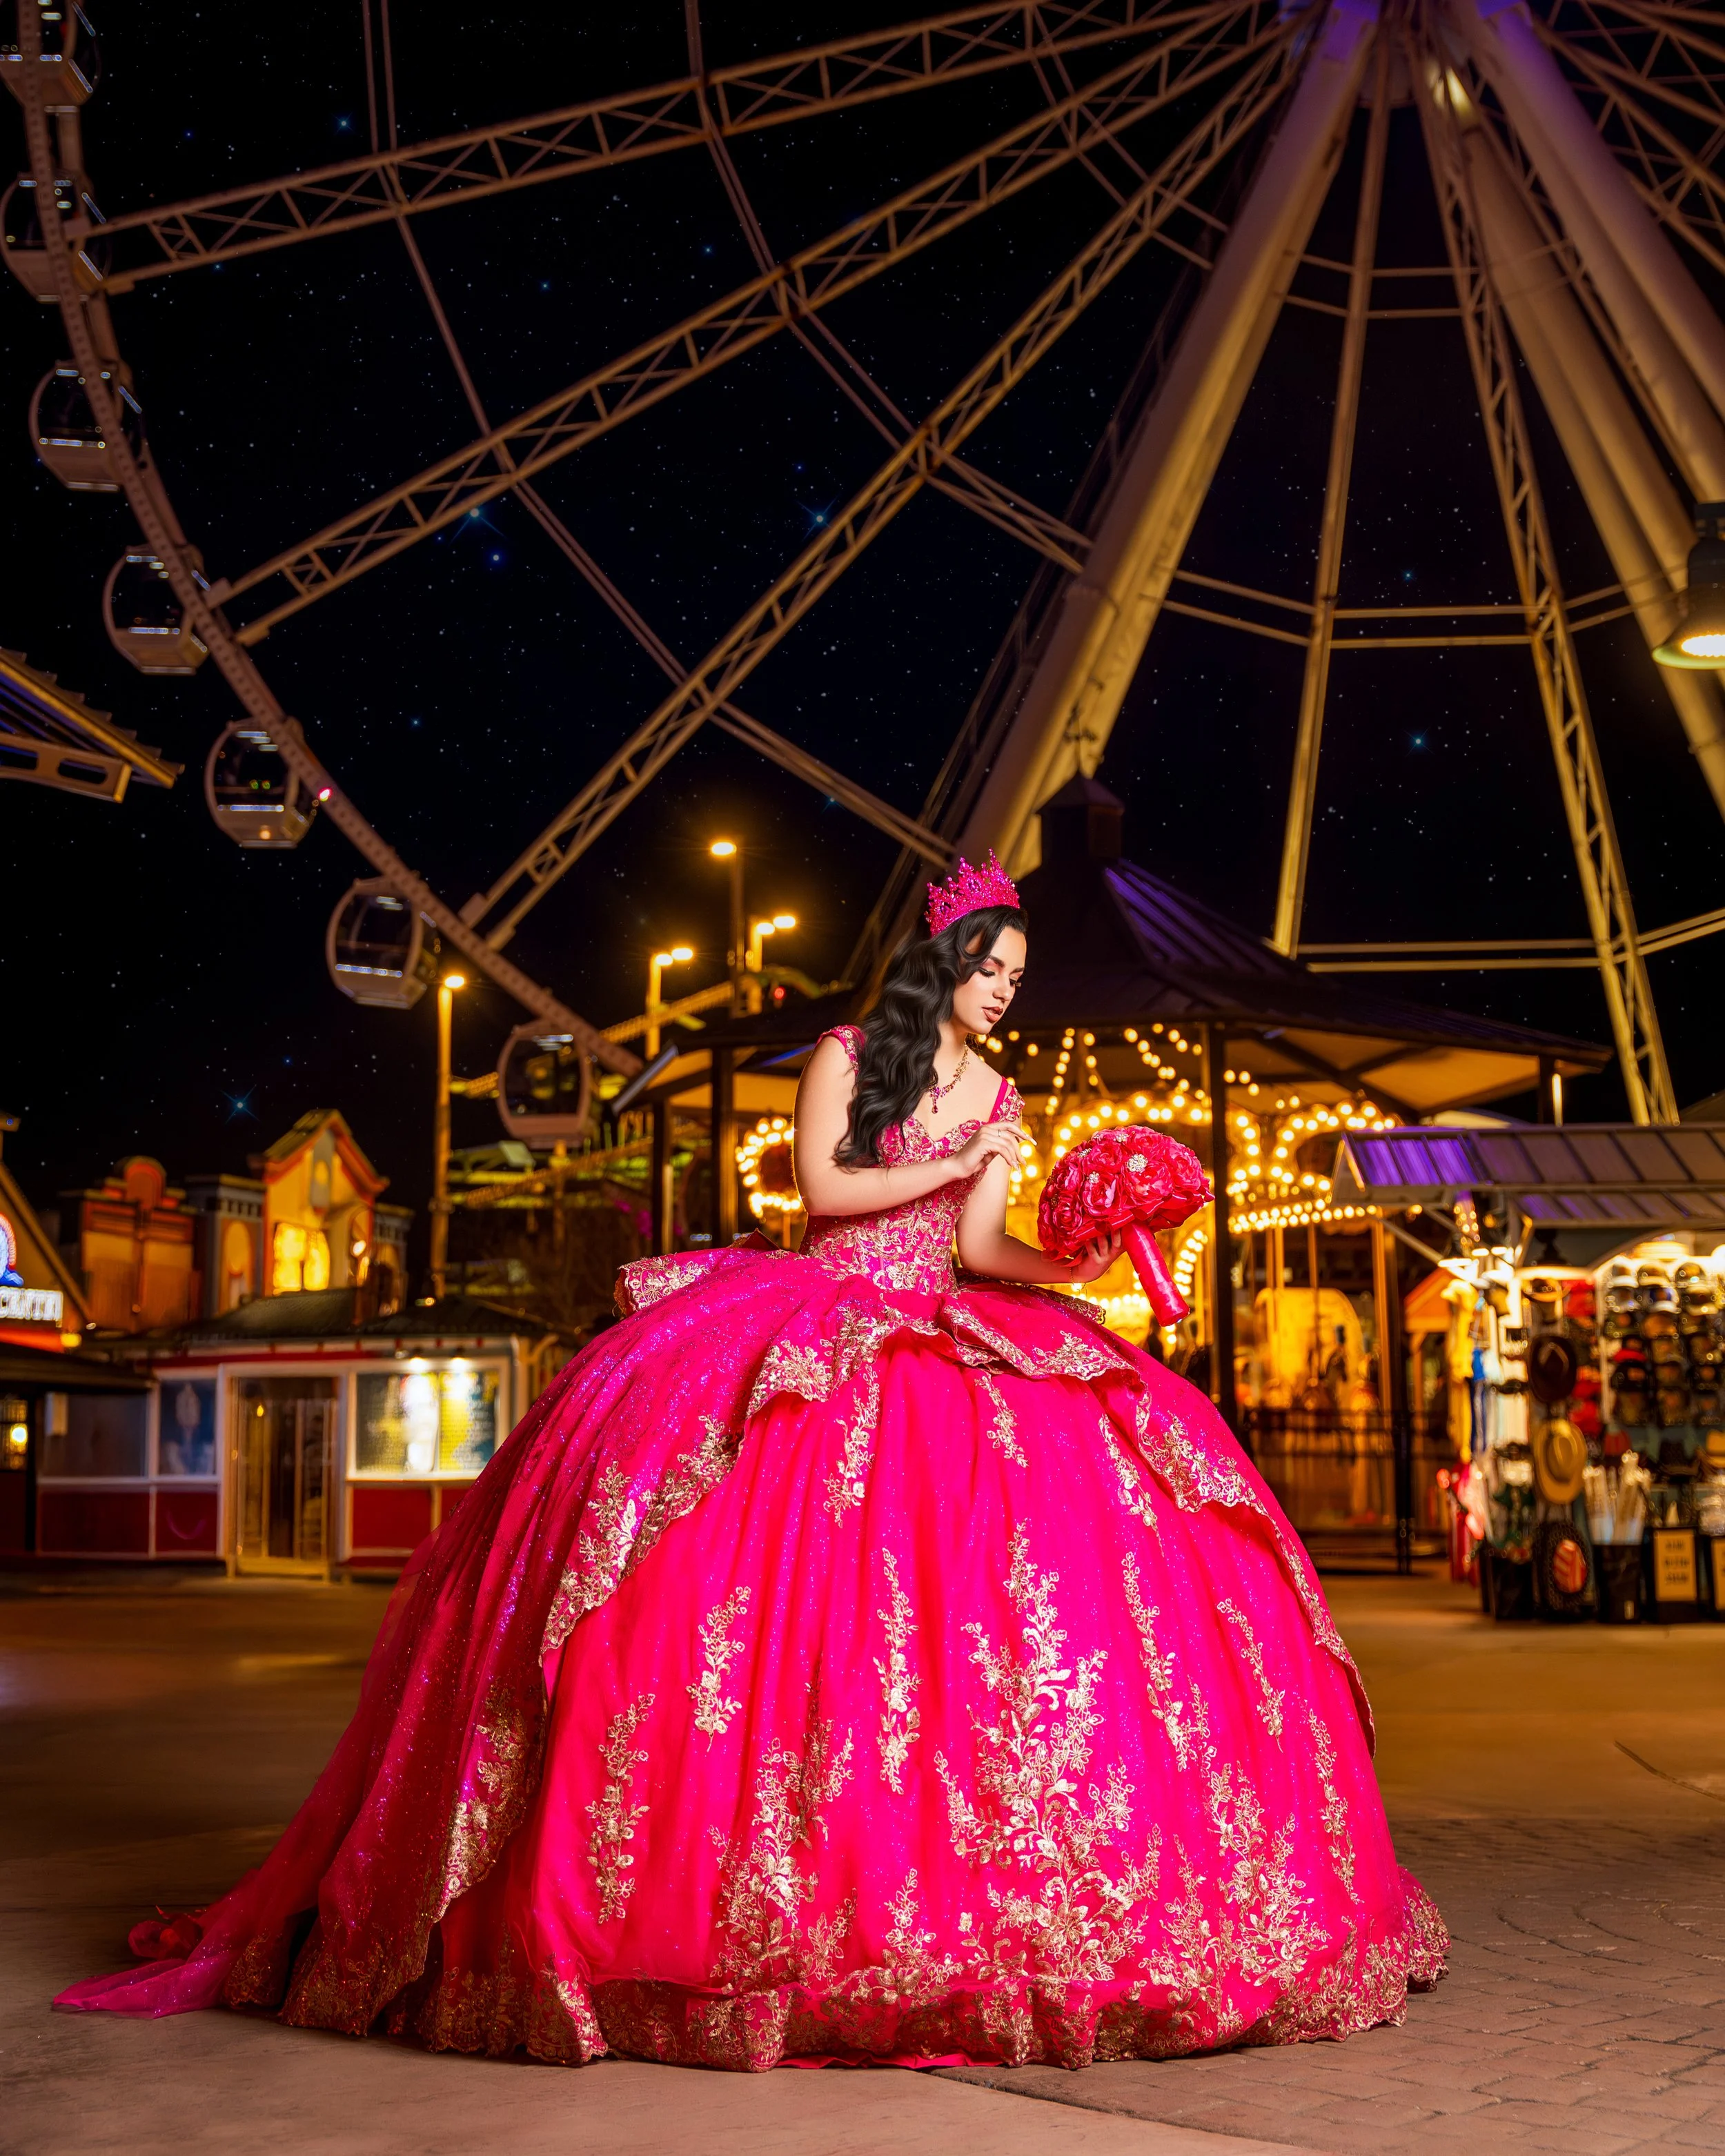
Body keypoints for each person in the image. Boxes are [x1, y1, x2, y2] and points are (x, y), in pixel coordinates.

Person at [55, 853, 1446, 2068]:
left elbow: (977, 1252)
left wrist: (1073, 1257)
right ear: (947, 961)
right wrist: (957, 1154)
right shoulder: (852, 1052)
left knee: (986, 1618)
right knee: (729, 1599)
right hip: (820, 1308)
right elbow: (827, 1192)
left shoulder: (1005, 1091)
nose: (1008, 989)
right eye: (994, 966)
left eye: (1021, 972)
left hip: (938, 1317)